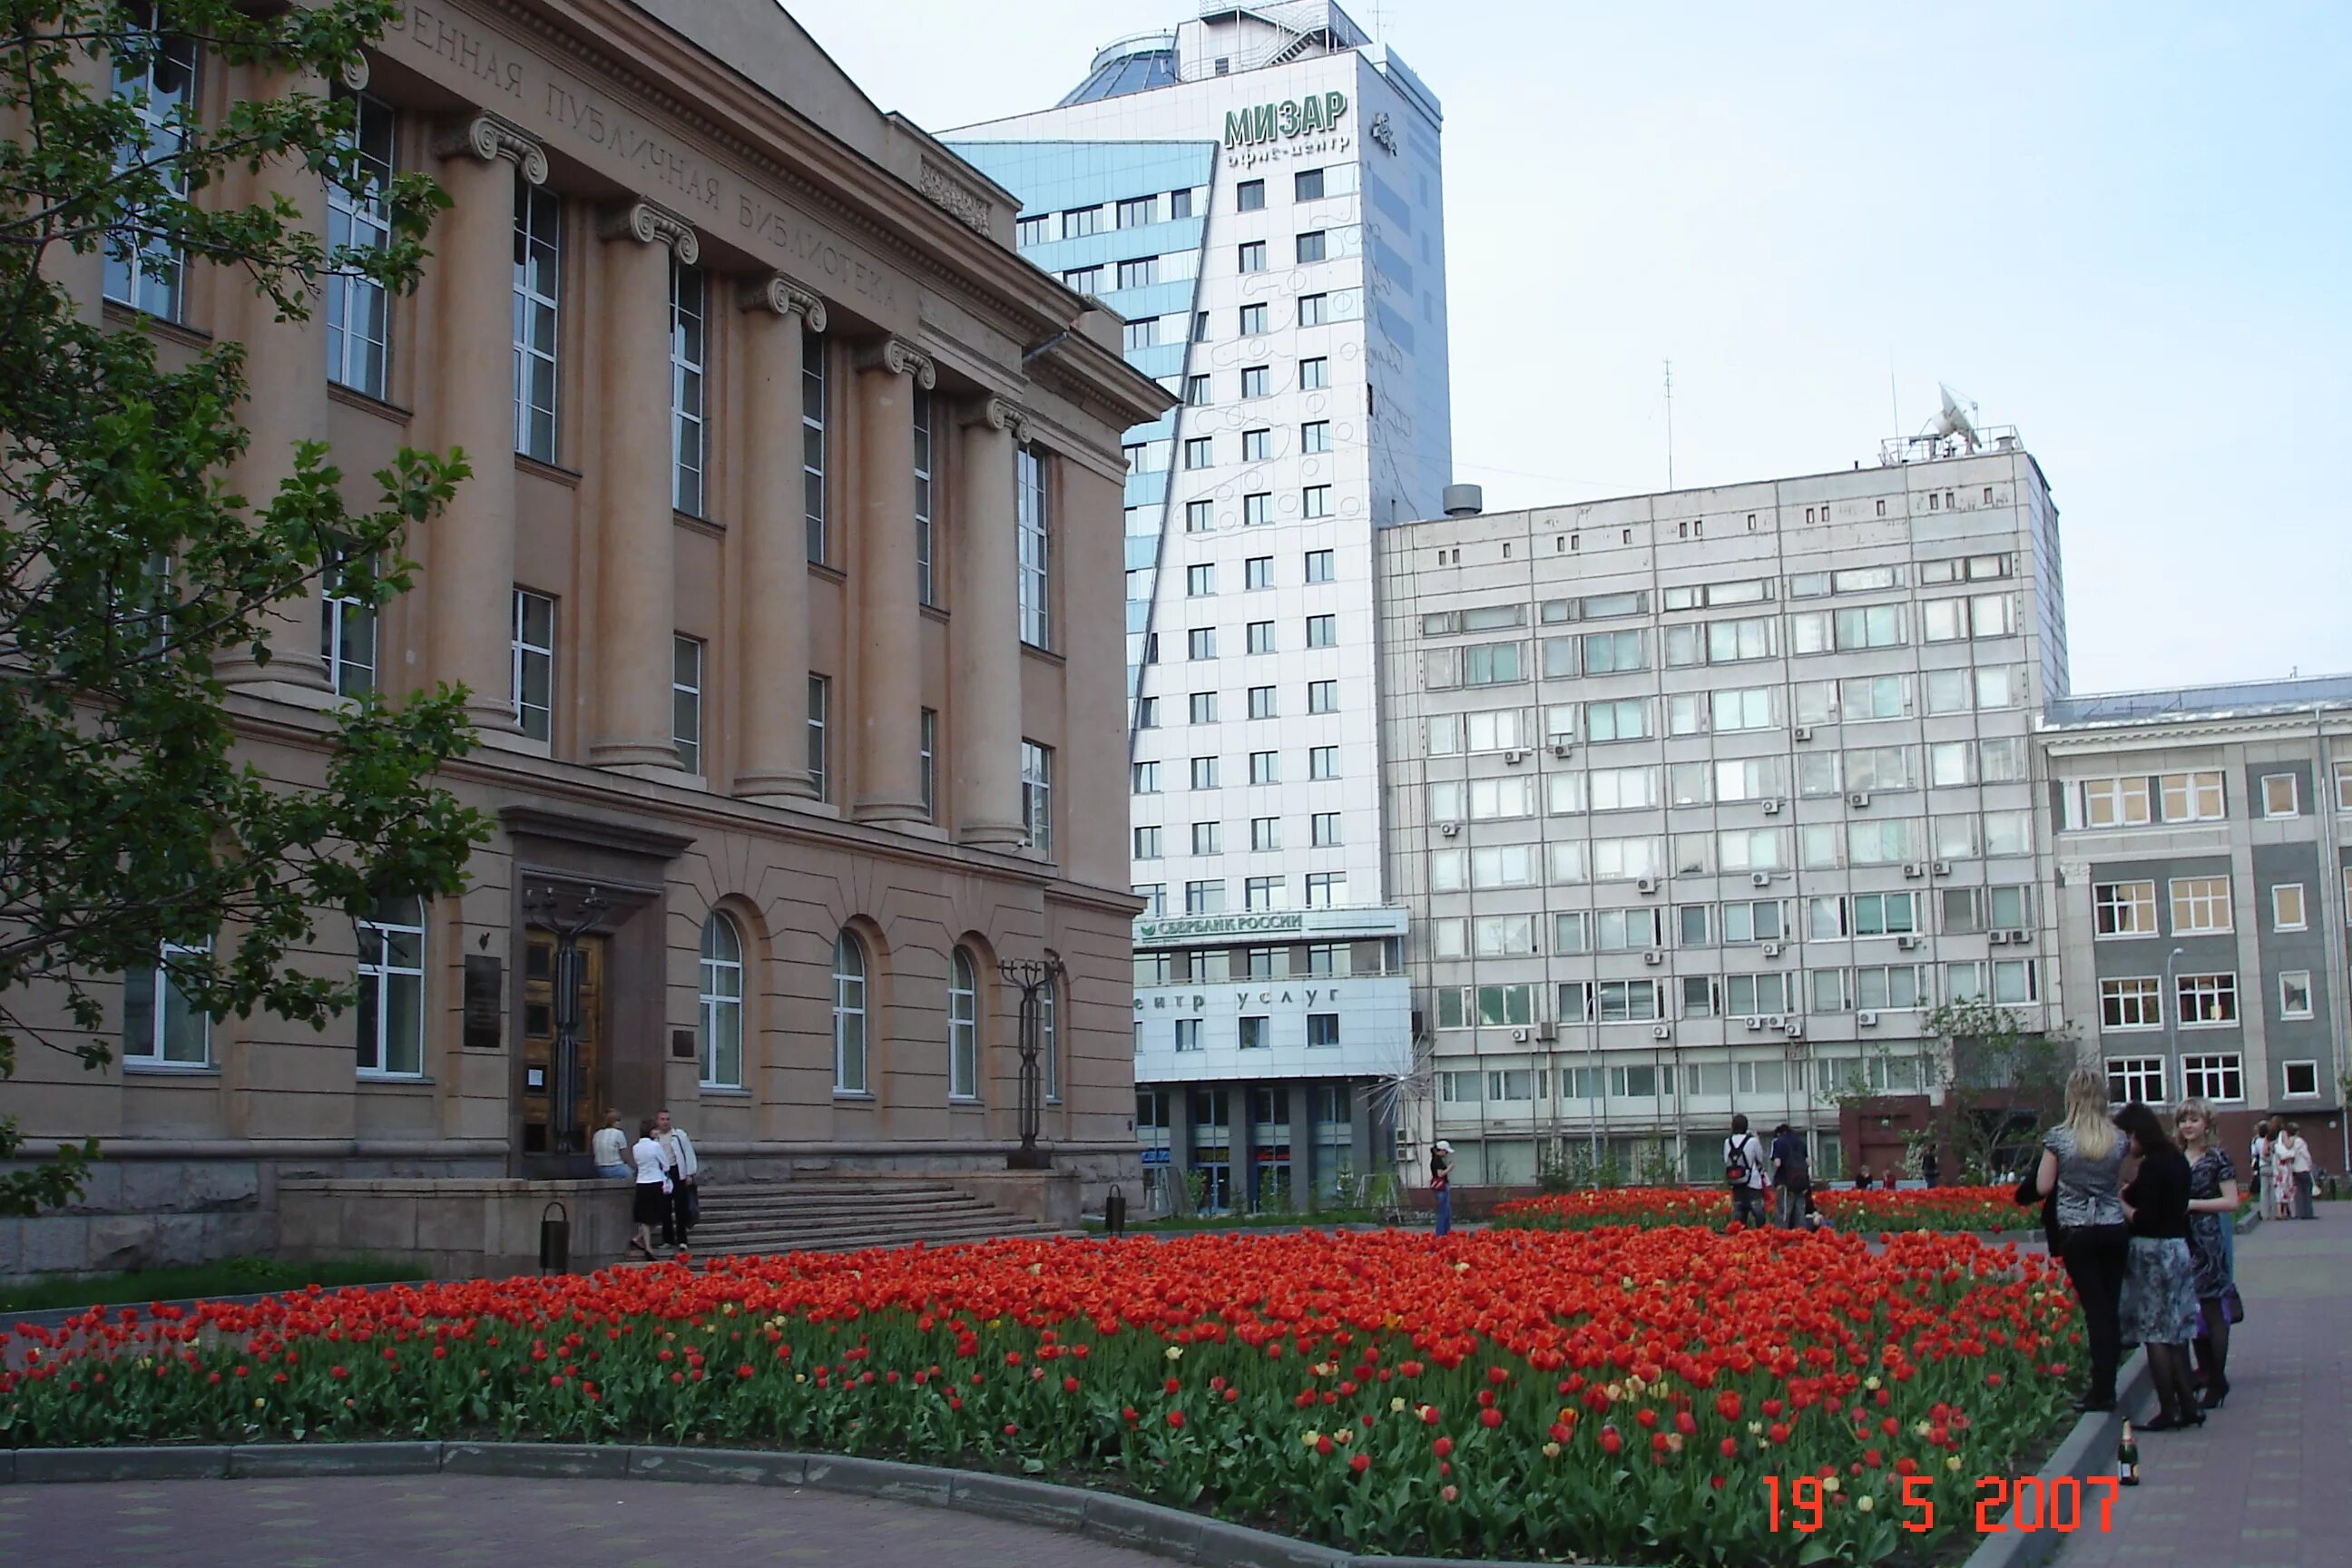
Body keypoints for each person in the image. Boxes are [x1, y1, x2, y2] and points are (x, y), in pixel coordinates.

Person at [2037, 1068, 2130, 1413]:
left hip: (2077, 1229)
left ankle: (2100, 1392)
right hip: (2112, 1226)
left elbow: (2044, 1186)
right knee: (2111, 1308)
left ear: (2071, 1096)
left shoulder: (2059, 1138)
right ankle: (2108, 1384)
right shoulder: (2118, 1139)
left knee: (2095, 1311)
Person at [2114, 1102, 2202, 1430]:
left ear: (2136, 1134)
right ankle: (2189, 1404)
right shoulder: (2176, 1159)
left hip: (2152, 1252)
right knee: (2176, 1332)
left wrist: (2121, 1204)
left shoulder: (2153, 1166)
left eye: (2126, 1139)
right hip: (2178, 1249)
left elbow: (2144, 1217)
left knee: (2155, 1334)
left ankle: (2170, 1409)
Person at [2174, 1098, 2239, 1409]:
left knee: (2212, 1308)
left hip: (2208, 1240)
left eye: (2194, 1119)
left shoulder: (2216, 1158)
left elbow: (2231, 1202)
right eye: (2183, 1120)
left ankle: (2217, 1380)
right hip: (2180, 1241)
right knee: (2190, 1310)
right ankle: (2206, 1373)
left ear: (2207, 1123)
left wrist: (2194, 1205)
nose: (2188, 1125)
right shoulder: (2175, 1157)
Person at [655, 1109, 701, 1255]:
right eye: (662, 1119)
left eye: (667, 1119)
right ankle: (668, 1239)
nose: (665, 1122)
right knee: (664, 1208)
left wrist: (689, 1173)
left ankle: (682, 1240)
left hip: (678, 1173)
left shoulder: (679, 1136)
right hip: (663, 1174)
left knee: (681, 1208)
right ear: (657, 1121)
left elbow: (688, 1153)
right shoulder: (655, 1139)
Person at [628, 1117, 671, 1262]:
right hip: (655, 1181)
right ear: (651, 1131)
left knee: (645, 1218)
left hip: (642, 1182)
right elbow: (665, 1165)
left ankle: (643, 1243)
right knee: (657, 1215)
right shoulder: (655, 1146)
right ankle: (646, 1245)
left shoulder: (636, 1147)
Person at [1725, 1114, 1767, 1229]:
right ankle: (1761, 1234)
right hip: (1752, 1181)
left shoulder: (1727, 1142)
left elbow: (1726, 1160)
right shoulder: (1752, 1141)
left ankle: (1739, 1238)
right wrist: (1757, 1139)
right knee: (1758, 1212)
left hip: (1736, 1181)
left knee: (1739, 1213)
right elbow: (1760, 1158)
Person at [1769, 1123, 1809, 1230]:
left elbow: (1777, 1163)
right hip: (1801, 1183)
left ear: (1778, 1133)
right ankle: (1801, 1237)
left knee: (1783, 1213)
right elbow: (1808, 1162)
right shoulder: (1801, 1142)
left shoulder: (1778, 1142)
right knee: (1800, 1213)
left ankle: (1783, 1237)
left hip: (1784, 1183)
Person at [2284, 1122, 2316, 1220]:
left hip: (2295, 1170)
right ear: (2297, 1131)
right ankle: (2308, 1213)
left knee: (2298, 1192)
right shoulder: (2300, 1141)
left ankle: (2299, 1212)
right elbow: (2306, 1155)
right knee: (2307, 1191)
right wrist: (2310, 1164)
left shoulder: (2288, 1142)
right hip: (2304, 1168)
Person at [591, 1109, 632, 1180]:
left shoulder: (597, 1134)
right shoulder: (618, 1133)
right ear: (613, 1122)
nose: (620, 1123)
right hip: (616, 1166)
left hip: (599, 1168)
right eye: (618, 1120)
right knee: (632, 1176)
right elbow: (624, 1154)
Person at [1430, 1140, 1454, 1237]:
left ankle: (1445, 1233)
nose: (1446, 1153)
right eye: (1446, 1151)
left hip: (1442, 1187)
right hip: (1442, 1186)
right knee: (1443, 1211)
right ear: (1442, 1150)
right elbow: (1440, 1174)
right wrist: (1449, 1168)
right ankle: (1441, 1234)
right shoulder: (1437, 1159)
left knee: (1446, 1211)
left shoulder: (1436, 1159)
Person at [2248, 1121, 2270, 1212]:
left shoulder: (2256, 1140)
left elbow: (2254, 1153)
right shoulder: (2270, 1139)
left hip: (2261, 1164)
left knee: (2264, 1190)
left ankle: (2264, 1211)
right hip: (2272, 1164)